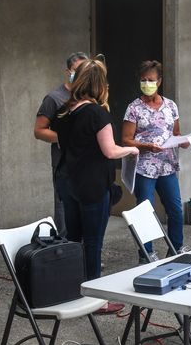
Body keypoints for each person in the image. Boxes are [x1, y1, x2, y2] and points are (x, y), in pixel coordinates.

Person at [52, 60, 138, 314]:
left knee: (74, 239)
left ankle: (73, 290)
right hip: (91, 185)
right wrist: (131, 149)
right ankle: (95, 299)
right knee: (93, 242)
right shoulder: (97, 113)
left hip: (68, 182)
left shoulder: (65, 111)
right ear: (100, 85)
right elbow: (110, 150)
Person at [122, 60, 187, 258]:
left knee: (176, 209)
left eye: (151, 80)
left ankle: (176, 247)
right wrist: (145, 146)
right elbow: (126, 140)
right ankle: (146, 252)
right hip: (144, 167)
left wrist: (183, 141)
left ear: (159, 81)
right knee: (145, 211)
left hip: (167, 166)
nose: (147, 84)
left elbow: (175, 132)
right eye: (143, 80)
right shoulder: (134, 108)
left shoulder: (171, 106)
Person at [33, 52, 89, 237]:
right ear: (68, 71)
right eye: (77, 71)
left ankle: (85, 254)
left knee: (87, 208)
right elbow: (39, 130)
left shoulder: (90, 96)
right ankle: (67, 255)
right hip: (64, 163)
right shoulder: (54, 98)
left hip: (88, 162)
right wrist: (65, 137)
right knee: (64, 207)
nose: (81, 75)